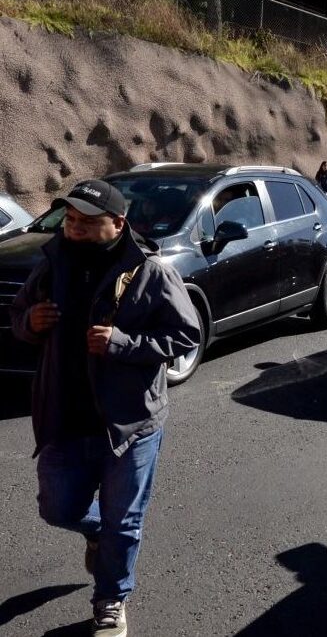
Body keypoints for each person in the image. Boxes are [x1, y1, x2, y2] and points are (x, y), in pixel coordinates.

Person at [11, 180, 201, 637]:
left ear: (117, 224)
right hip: (65, 417)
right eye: (70, 220)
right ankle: (98, 532)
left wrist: (123, 343)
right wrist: (30, 322)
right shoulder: (52, 264)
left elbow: (186, 334)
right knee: (57, 509)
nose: (73, 228)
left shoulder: (150, 272)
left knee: (125, 521)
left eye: (86, 221)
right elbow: (19, 315)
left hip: (130, 424)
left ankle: (111, 599)